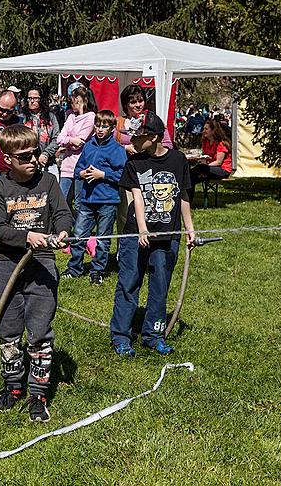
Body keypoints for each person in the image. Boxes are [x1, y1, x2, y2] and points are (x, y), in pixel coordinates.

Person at [0, 125, 71, 423]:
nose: (33, 159)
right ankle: (12, 389)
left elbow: (62, 213)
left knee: (39, 332)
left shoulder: (48, 182)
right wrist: (27, 238)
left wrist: (62, 230)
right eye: (24, 156)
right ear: (8, 158)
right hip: (7, 267)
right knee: (8, 332)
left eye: (35, 152)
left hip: (42, 266)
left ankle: (38, 394)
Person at [110, 111, 196, 358]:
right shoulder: (134, 163)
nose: (132, 140)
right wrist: (142, 229)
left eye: (138, 136)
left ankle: (153, 334)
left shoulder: (178, 160)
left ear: (155, 137)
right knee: (129, 282)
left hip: (168, 236)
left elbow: (183, 196)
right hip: (136, 235)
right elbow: (137, 197)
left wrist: (189, 229)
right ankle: (121, 337)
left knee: (160, 285)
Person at [66, 110, 127, 283]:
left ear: (112, 128)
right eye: (98, 125)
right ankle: (74, 268)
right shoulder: (89, 145)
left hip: (107, 200)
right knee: (78, 235)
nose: (100, 129)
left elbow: (122, 175)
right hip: (87, 199)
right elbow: (77, 170)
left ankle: (97, 271)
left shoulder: (117, 149)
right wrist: (83, 173)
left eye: (104, 126)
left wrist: (103, 175)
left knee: (103, 238)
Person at [114, 85, 173, 231]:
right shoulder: (118, 122)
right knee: (125, 213)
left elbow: (167, 144)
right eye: (133, 102)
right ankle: (125, 248)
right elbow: (108, 146)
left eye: (140, 101)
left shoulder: (153, 120)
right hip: (126, 174)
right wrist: (124, 148)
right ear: (126, 104)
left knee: (150, 211)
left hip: (149, 173)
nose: (137, 105)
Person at [55, 86, 95, 207]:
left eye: (73, 100)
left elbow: (79, 144)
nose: (71, 103)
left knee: (78, 203)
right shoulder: (71, 116)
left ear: (80, 100)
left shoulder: (91, 117)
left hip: (81, 165)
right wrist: (71, 140)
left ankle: (79, 226)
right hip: (67, 165)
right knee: (62, 200)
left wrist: (68, 142)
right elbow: (59, 139)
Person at [189, 118, 233, 199]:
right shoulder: (205, 142)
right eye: (204, 129)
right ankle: (187, 202)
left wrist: (205, 167)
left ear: (213, 131)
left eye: (206, 129)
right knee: (190, 177)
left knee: (199, 168)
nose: (204, 131)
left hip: (223, 170)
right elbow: (205, 157)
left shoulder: (221, 143)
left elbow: (218, 162)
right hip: (210, 168)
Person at [21, 87, 60, 175]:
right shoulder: (22, 118)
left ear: (41, 99)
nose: (32, 101)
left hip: (49, 163)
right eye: (29, 98)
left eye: (35, 98)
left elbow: (57, 138)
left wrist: (46, 153)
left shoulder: (51, 117)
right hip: (27, 163)